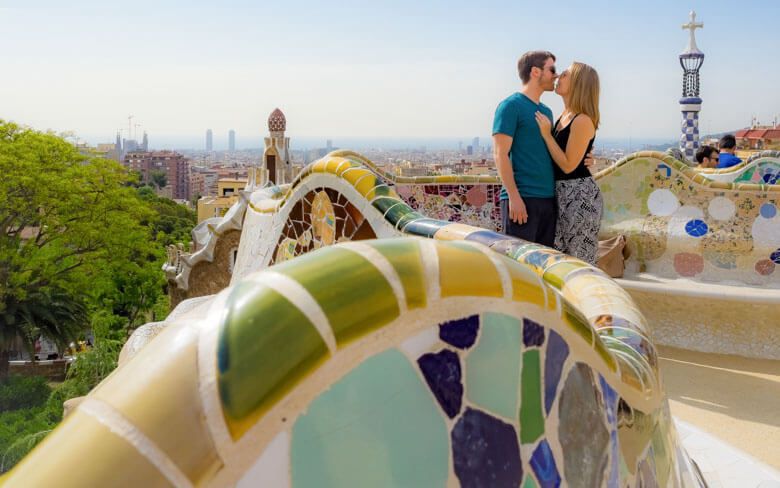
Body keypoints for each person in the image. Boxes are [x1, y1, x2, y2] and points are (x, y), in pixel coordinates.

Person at [534, 62, 602, 264]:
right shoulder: (564, 116)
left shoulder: (582, 120)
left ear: (578, 83)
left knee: (581, 261)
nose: (557, 77)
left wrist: (547, 135)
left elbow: (567, 165)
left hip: (580, 197)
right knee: (563, 259)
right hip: (562, 194)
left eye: (564, 75)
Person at [493, 51, 558, 247]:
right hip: (522, 199)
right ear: (536, 72)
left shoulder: (547, 112)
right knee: (519, 268)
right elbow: (500, 154)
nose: (556, 75)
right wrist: (514, 197)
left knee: (543, 268)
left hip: (548, 200)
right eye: (552, 69)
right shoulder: (510, 106)